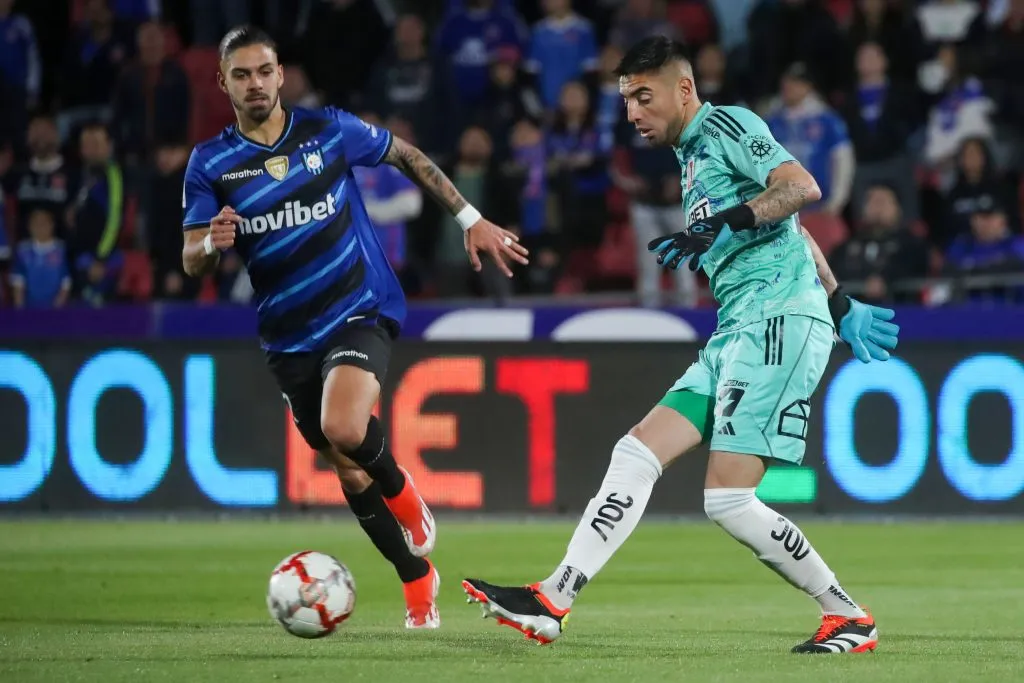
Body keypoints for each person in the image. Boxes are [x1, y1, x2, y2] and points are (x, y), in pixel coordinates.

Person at [463, 36, 899, 654]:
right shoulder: (692, 156)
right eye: (626, 100)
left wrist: (727, 223)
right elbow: (795, 230)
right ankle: (553, 598)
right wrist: (841, 302)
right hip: (737, 329)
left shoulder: (727, 126)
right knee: (636, 452)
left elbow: (801, 187)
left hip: (777, 321)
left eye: (644, 97)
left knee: (727, 498)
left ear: (684, 89)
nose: (633, 113)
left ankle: (848, 615)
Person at [181, 26, 528, 629]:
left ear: (280, 74)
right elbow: (191, 258)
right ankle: (417, 578)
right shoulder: (209, 164)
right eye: (241, 75)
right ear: (223, 83)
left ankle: (405, 495)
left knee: (343, 425)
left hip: (359, 307)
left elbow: (407, 155)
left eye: (264, 71)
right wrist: (211, 242)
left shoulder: (328, 129)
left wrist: (470, 218)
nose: (255, 83)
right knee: (346, 465)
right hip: (288, 335)